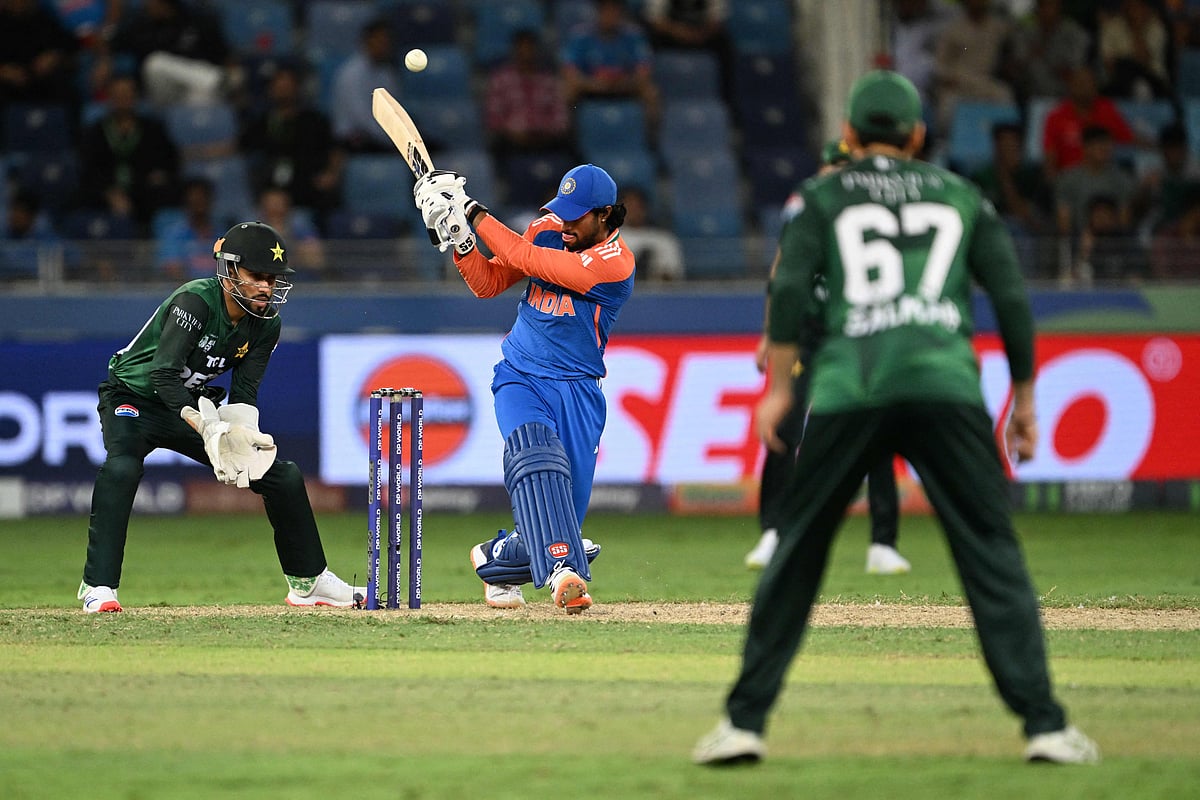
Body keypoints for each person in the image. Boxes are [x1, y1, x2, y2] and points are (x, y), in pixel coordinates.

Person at [693, 70, 1099, 767]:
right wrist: (1025, 399)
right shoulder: (962, 195)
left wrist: (781, 385)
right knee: (990, 552)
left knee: (797, 553)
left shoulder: (823, 195)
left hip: (853, 382)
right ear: (917, 136)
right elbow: (1008, 294)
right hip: (945, 384)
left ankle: (743, 724)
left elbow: (790, 285)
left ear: (848, 135)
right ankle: (1046, 727)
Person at [78, 220, 365, 613]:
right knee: (123, 467)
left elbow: (244, 392)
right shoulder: (195, 301)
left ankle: (309, 581)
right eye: (257, 276)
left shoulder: (266, 323)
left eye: (272, 278)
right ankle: (98, 586)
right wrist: (207, 425)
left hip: (190, 406)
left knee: (281, 475)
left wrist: (243, 437)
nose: (266, 287)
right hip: (134, 398)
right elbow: (163, 373)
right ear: (229, 272)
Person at [411, 163, 635, 613]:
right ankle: (562, 572)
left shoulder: (616, 265)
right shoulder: (549, 227)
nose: (565, 224)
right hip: (521, 374)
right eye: (562, 213)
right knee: (536, 456)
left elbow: (532, 261)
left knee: (560, 517)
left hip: (578, 390)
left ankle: (496, 560)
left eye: (577, 217)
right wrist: (458, 238)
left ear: (606, 215)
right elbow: (489, 282)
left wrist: (470, 212)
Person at [744, 140, 908, 576]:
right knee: (785, 426)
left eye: (844, 166)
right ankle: (773, 531)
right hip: (806, 333)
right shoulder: (806, 208)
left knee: (876, 429)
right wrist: (768, 333)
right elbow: (782, 274)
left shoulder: (868, 209)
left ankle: (883, 542)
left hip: (857, 332)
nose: (838, 174)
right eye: (833, 166)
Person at [238, 62, 343, 226]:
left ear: (297, 87)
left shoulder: (315, 120)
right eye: (278, 85)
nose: (283, 89)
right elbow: (240, 146)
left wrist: (331, 174)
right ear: (271, 89)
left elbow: (335, 149)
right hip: (272, 190)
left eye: (287, 84)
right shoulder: (262, 121)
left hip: (308, 189)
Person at [78, 73, 181, 234]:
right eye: (118, 94)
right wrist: (109, 193)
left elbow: (170, 160)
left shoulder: (153, 129)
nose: (123, 98)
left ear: (135, 97)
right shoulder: (96, 131)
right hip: (106, 193)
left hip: (144, 191)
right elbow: (89, 168)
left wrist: (160, 175)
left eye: (127, 93)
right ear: (110, 98)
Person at [561, 0, 660, 128]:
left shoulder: (634, 35)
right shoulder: (580, 36)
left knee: (651, 92)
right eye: (606, 11)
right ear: (598, 12)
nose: (610, 15)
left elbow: (644, 70)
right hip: (590, 86)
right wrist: (594, 83)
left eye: (615, 11)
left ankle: (651, 142)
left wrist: (623, 82)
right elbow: (569, 71)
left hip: (624, 85)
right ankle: (570, 139)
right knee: (567, 90)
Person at [330, 16, 402, 153]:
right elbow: (361, 117)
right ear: (367, 41)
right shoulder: (351, 74)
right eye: (380, 40)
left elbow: (394, 112)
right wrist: (390, 139)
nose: (384, 45)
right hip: (354, 140)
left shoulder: (387, 74)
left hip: (381, 138)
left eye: (387, 41)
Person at [155, 176, 225, 280]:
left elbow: (228, 269)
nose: (199, 204)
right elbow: (172, 268)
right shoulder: (173, 234)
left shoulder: (223, 233)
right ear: (187, 202)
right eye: (195, 200)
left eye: (202, 198)